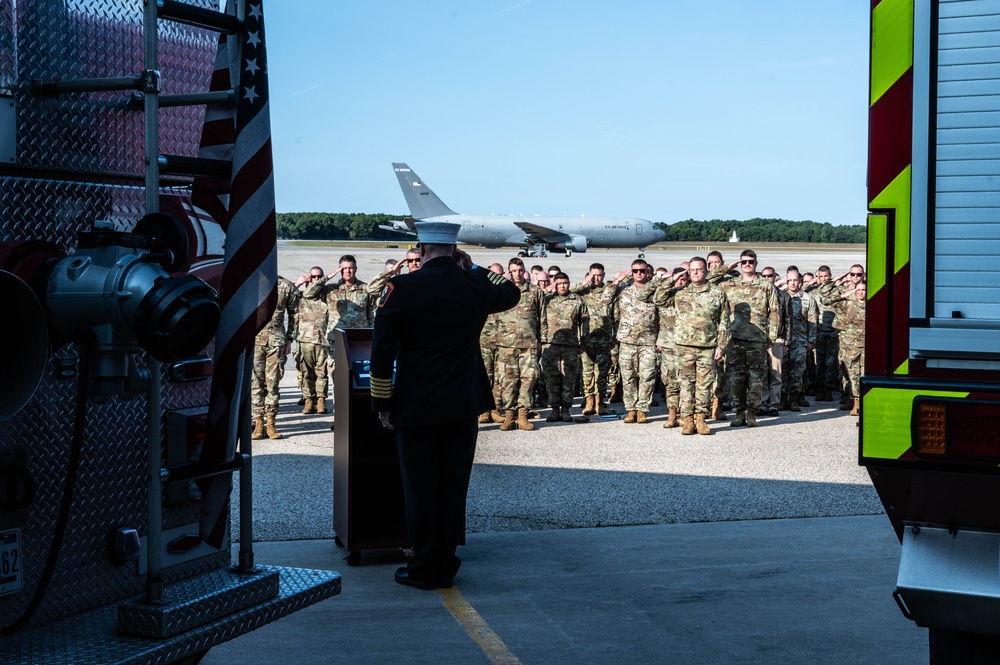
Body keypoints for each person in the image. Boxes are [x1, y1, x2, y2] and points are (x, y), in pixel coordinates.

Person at [370, 221, 519, 590]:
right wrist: (475, 268)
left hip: (415, 404)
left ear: (420, 249)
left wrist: (381, 402)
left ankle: (425, 563)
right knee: (453, 484)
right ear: (455, 250)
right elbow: (512, 292)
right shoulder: (473, 285)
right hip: (461, 403)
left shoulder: (401, 288)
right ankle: (447, 560)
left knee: (420, 486)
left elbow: (382, 350)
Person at [304, 255, 375, 402]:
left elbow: (371, 315)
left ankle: (356, 417)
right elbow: (308, 294)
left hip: (359, 342)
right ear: (340, 270)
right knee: (338, 380)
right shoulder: (331, 289)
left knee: (361, 379)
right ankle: (340, 418)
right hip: (337, 342)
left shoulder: (365, 289)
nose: (348, 271)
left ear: (355, 269)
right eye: (344, 268)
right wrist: (329, 276)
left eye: (351, 267)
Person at [721, 250, 779, 427]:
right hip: (735, 340)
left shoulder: (766, 285)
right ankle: (739, 413)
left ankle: (752, 413)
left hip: (757, 341)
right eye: (744, 262)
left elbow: (775, 312)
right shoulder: (730, 284)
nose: (748, 264)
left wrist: (772, 337)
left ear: (756, 263)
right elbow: (706, 282)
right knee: (736, 380)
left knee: (756, 380)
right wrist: (724, 269)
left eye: (751, 261)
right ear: (740, 263)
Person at [673, 257, 730, 435]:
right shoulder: (680, 293)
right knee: (685, 385)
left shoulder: (717, 293)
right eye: (693, 270)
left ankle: (700, 418)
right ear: (688, 272)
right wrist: (673, 279)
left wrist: (721, 347)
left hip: (707, 346)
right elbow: (658, 297)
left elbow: (724, 322)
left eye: (699, 269)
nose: (696, 273)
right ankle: (687, 419)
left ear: (706, 271)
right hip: (685, 346)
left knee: (704, 386)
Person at [603, 259, 658, 423]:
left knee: (647, 376)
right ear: (631, 272)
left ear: (648, 272)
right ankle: (631, 409)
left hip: (649, 340)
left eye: (642, 270)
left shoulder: (654, 289)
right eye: (635, 271)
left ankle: (642, 409)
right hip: (628, 340)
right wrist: (618, 280)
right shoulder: (623, 289)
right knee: (628, 377)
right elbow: (605, 299)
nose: (639, 273)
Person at [495, 257, 545, 431]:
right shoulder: (502, 290)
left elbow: (542, 317)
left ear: (525, 271)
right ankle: (509, 416)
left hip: (528, 344)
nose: (517, 274)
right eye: (514, 271)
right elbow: (493, 317)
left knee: (528, 379)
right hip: (506, 344)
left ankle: (523, 415)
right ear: (509, 272)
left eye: (520, 270)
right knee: (508, 381)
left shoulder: (535, 291)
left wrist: (541, 340)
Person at [252, 276, 298, 439]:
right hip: (254, 341)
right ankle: (258, 423)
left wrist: (290, 338)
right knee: (256, 384)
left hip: (276, 342)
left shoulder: (286, 286)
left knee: (273, 383)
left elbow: (295, 314)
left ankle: (271, 423)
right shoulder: (251, 283)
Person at [541, 272, 589, 422]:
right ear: (554, 284)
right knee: (551, 378)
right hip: (551, 346)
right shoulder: (547, 300)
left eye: (565, 283)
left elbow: (585, 322)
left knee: (569, 379)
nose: (562, 286)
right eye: (559, 283)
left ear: (569, 283)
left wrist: (584, 342)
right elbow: (535, 299)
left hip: (570, 346)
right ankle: (554, 410)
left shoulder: (578, 300)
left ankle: (566, 410)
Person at [572, 263, 614, 415]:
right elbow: (567, 292)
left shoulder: (608, 292)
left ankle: (600, 402)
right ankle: (589, 402)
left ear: (604, 275)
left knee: (602, 374)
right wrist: (584, 283)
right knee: (587, 373)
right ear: (588, 274)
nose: (596, 278)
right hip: (587, 340)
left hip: (604, 340)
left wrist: (613, 338)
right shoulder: (583, 292)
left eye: (599, 275)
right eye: (593, 275)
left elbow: (615, 315)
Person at [780, 269, 818, 411]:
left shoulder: (808, 299)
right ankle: (783, 399)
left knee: (798, 371)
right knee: (783, 370)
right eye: (789, 280)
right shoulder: (781, 297)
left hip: (800, 341)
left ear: (800, 281)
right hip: (784, 341)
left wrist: (811, 341)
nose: (792, 283)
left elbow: (812, 321)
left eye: (795, 280)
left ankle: (794, 399)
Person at [295, 267, 329, 414]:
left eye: (319, 277)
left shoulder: (327, 296)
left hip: (322, 341)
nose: (316, 280)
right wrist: (298, 284)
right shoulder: (301, 297)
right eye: (314, 277)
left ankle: (321, 401)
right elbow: (283, 296)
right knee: (306, 373)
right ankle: (309, 400)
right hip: (305, 341)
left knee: (322, 373)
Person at [759, 267, 790, 417]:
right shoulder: (757, 294)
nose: (767, 278)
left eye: (770, 276)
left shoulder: (783, 296)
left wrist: (787, 342)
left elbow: (788, 320)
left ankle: (774, 405)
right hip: (760, 338)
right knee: (762, 374)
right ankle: (763, 403)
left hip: (777, 339)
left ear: (775, 277)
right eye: (763, 276)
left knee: (776, 374)